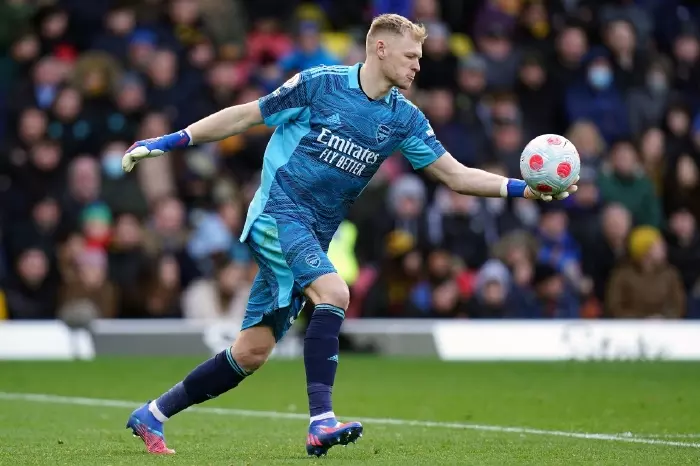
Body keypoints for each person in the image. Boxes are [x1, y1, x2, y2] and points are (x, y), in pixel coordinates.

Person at [122, 14, 578, 457]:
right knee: (335, 292)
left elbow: (456, 175)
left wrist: (523, 189)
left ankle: (153, 414)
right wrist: (169, 141)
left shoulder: (404, 118)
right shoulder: (320, 84)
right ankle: (321, 421)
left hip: (313, 234)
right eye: (411, 56)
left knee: (252, 352)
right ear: (380, 49)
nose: (418, 65)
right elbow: (245, 116)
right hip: (278, 214)